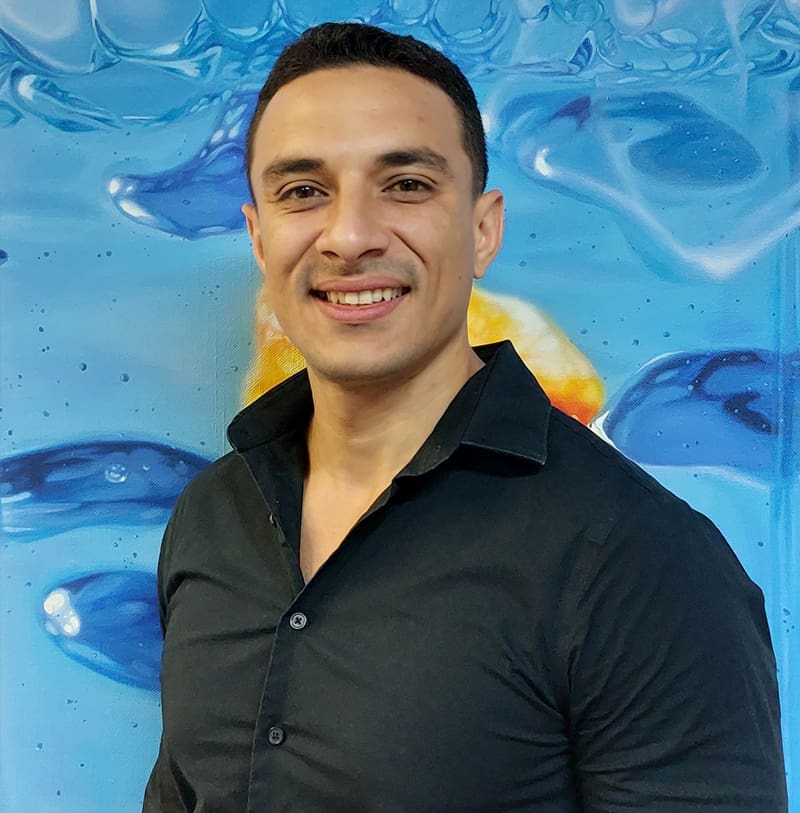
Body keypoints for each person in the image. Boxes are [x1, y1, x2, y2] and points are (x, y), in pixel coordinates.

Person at [142, 22, 787, 812]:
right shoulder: (210, 516)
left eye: (406, 184)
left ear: (483, 231)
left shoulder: (641, 560)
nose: (350, 236)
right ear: (258, 236)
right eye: (303, 191)